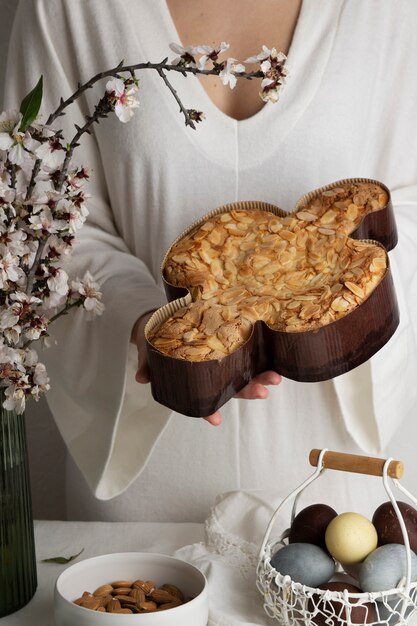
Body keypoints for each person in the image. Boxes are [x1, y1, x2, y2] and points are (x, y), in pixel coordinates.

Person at [4, 0, 417, 523]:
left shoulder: (387, 11)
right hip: (145, 477)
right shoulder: (70, 9)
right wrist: (148, 326)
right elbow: (40, 223)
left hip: (332, 487)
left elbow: (408, 196)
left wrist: (326, 286)